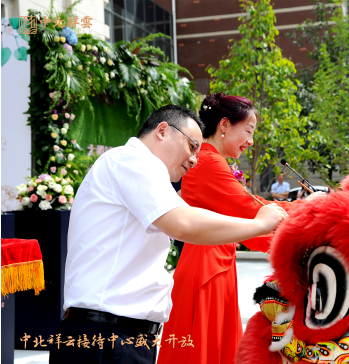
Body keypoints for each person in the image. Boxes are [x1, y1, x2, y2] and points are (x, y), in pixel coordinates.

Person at [49, 105, 288, 364]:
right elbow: (183, 222)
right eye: (191, 146)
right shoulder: (132, 161)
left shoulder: (140, 172)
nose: (195, 158)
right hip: (105, 336)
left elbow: (189, 215)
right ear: (163, 131)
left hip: (119, 335)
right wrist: (260, 224)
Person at [157, 93, 324, 364]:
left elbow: (251, 216)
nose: (251, 140)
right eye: (248, 130)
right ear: (224, 125)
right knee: (207, 351)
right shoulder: (210, 163)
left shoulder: (213, 161)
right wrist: (310, 208)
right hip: (207, 270)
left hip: (215, 265)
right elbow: (252, 211)